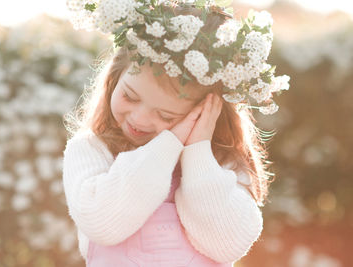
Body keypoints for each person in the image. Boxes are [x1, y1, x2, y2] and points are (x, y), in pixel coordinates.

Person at [63, 1, 289, 266]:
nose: (139, 118)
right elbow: (103, 222)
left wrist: (197, 153)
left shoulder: (224, 162)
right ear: (115, 76)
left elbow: (228, 245)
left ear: (208, 112)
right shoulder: (91, 150)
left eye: (166, 116)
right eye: (130, 96)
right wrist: (169, 143)